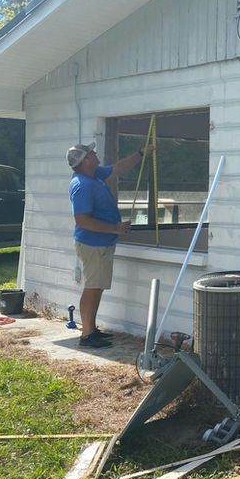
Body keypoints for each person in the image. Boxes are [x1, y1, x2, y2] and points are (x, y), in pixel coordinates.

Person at [67, 141, 152, 348]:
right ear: (85, 160)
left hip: (99, 244)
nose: (96, 154)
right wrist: (115, 228)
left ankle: (92, 330)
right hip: (93, 244)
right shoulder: (83, 185)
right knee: (92, 287)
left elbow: (119, 168)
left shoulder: (93, 175)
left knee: (97, 287)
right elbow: (82, 220)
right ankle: (87, 335)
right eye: (92, 153)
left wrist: (141, 152)